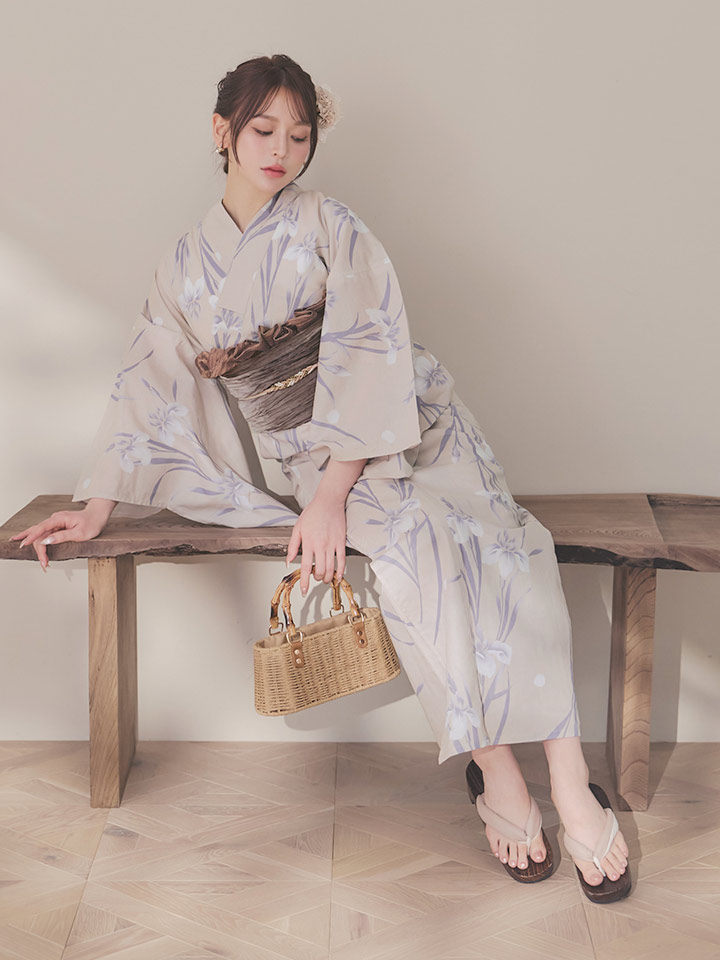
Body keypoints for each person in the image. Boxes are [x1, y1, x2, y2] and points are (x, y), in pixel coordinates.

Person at [10, 53, 630, 901]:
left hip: (413, 424)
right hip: (313, 455)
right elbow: (148, 385)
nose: (282, 150)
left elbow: (372, 349)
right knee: (420, 554)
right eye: (264, 130)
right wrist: (96, 506)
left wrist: (337, 493)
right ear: (222, 131)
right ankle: (499, 773)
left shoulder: (332, 225)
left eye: (299, 136)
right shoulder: (184, 264)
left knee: (507, 543)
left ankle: (567, 777)